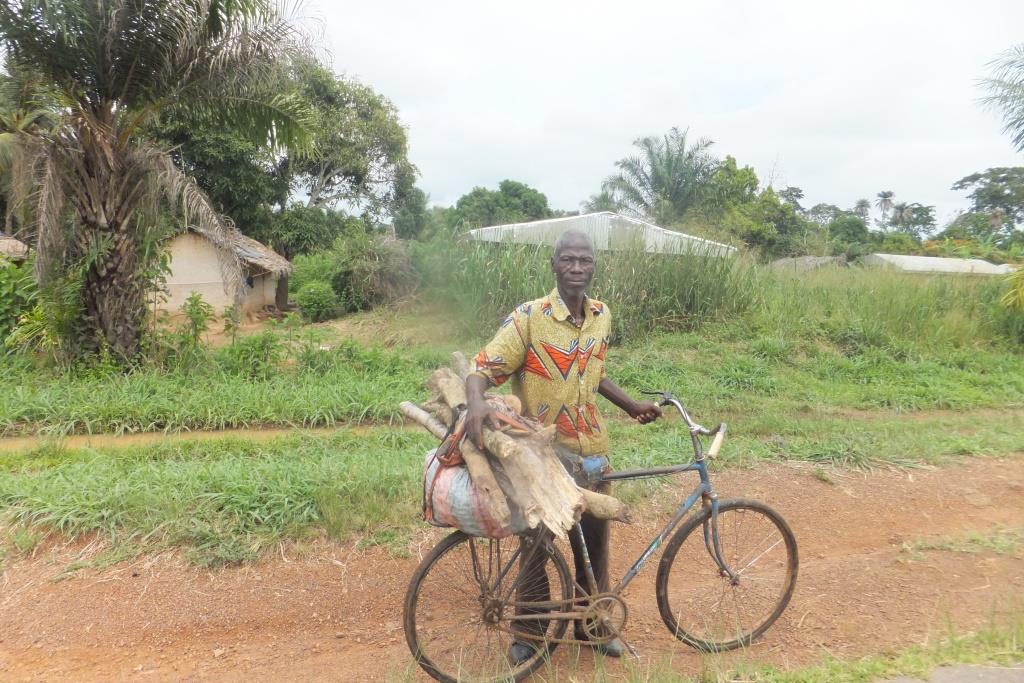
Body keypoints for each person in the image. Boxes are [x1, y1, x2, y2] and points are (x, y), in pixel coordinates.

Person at [465, 228, 661, 662]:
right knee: (538, 546)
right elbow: (481, 369)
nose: (576, 268)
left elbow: (595, 371)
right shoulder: (529, 317)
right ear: (553, 265)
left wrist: (631, 405)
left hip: (593, 451)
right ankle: (529, 635)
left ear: (594, 265)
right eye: (568, 260)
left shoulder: (600, 314)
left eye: (584, 260)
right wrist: (477, 405)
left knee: (593, 544)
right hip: (543, 456)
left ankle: (592, 623)